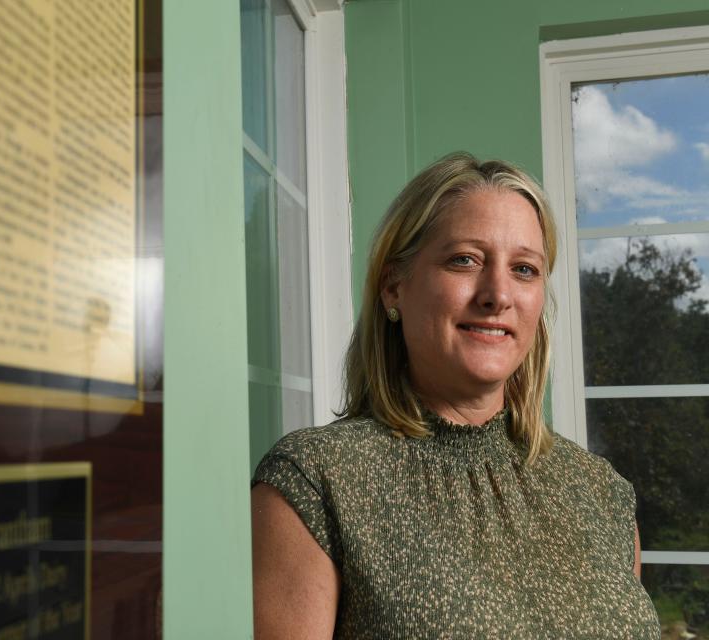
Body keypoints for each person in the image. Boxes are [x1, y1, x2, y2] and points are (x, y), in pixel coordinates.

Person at [250, 153, 660, 639]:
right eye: (465, 260)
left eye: (525, 269)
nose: (497, 294)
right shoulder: (315, 483)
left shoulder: (600, 492)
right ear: (393, 287)